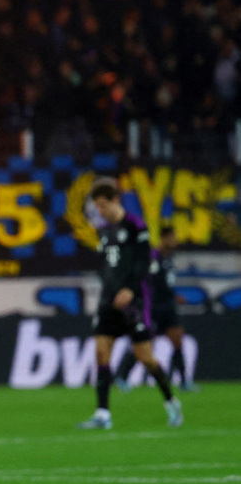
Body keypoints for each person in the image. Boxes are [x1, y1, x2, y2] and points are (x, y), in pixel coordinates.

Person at [79, 180, 182, 430]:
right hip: (108, 301)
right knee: (101, 352)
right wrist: (108, 288)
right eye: (97, 207)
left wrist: (129, 288)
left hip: (135, 301)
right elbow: (105, 265)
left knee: (145, 357)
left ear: (115, 200)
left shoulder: (135, 225)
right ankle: (103, 413)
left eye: (103, 205)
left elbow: (144, 262)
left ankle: (171, 401)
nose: (100, 211)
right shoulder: (103, 231)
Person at [114, 225, 198, 393]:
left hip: (168, 308)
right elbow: (148, 282)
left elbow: (165, 283)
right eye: (172, 237)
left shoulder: (168, 258)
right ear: (164, 238)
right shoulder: (153, 257)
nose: (175, 241)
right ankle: (121, 377)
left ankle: (184, 382)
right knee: (144, 345)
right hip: (153, 308)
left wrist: (174, 297)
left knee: (177, 339)